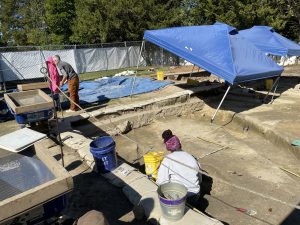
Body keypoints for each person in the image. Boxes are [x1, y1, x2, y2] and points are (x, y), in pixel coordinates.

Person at [157, 129, 202, 206]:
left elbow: (161, 182)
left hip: (179, 198)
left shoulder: (168, 159)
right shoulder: (192, 157)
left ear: (168, 147)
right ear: (180, 143)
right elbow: (200, 179)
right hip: (195, 196)